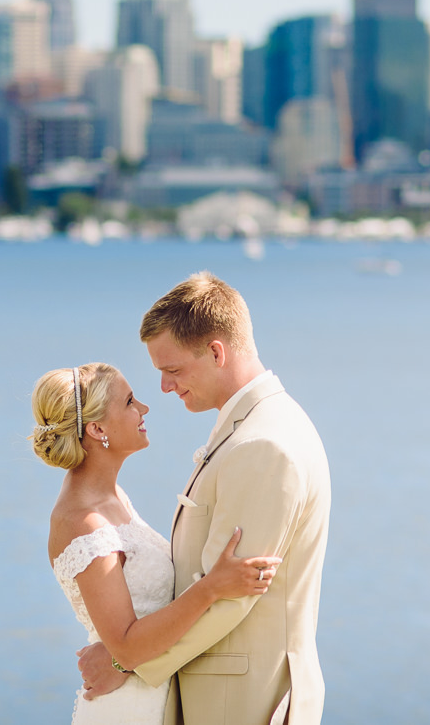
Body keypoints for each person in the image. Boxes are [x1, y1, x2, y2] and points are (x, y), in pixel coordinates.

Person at [78, 271, 332, 725]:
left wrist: (125, 660)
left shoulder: (263, 445)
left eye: (172, 370)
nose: (164, 388)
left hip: (242, 704)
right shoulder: (253, 426)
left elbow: (231, 595)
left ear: (216, 351)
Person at [35, 362, 283, 725]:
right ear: (97, 428)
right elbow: (125, 645)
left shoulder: (112, 497)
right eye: (130, 402)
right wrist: (212, 587)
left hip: (158, 694)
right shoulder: (83, 523)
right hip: (130, 709)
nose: (144, 409)